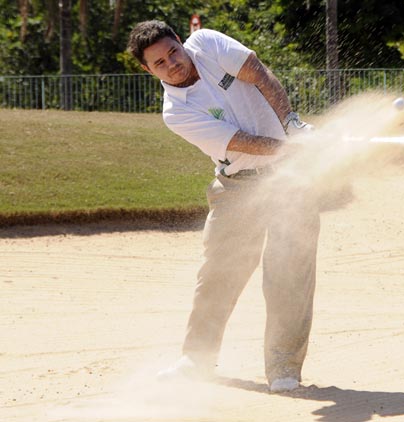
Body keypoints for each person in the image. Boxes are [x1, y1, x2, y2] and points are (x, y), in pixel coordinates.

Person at [127, 20, 319, 393]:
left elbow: (260, 75)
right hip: (238, 185)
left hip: (290, 179)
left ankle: (284, 367)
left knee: (289, 274)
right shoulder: (176, 112)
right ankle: (195, 361)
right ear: (147, 70)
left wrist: (292, 125)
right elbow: (241, 142)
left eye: (173, 53)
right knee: (217, 275)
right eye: (160, 63)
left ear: (181, 43)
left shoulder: (208, 44)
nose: (172, 64)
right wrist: (294, 147)